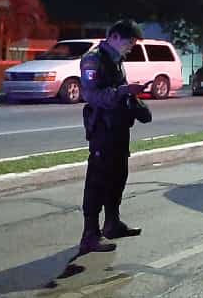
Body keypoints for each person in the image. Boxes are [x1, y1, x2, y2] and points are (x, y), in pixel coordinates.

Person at [77, 20, 149, 255]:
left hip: (118, 128)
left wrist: (133, 101)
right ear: (115, 37)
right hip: (102, 129)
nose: (132, 46)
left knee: (118, 176)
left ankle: (112, 223)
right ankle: (90, 234)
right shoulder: (93, 59)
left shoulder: (118, 61)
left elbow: (119, 89)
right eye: (130, 42)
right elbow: (91, 94)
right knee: (98, 179)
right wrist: (122, 92)